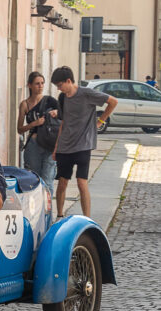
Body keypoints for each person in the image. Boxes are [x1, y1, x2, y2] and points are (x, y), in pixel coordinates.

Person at [50, 66, 118, 218]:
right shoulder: (62, 98)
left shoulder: (87, 94)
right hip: (65, 146)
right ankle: (59, 215)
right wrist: (56, 147)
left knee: (81, 182)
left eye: (60, 85)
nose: (59, 89)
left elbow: (113, 102)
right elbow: (64, 123)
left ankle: (87, 219)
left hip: (83, 145)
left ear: (69, 81)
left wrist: (100, 121)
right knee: (62, 182)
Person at [17, 71, 59, 196]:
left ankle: (48, 212)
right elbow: (20, 129)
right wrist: (34, 123)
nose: (40, 86)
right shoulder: (25, 104)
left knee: (47, 180)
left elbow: (64, 114)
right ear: (29, 85)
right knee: (32, 179)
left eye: (42, 83)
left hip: (49, 143)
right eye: (37, 84)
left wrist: (57, 112)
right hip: (33, 144)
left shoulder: (50, 101)